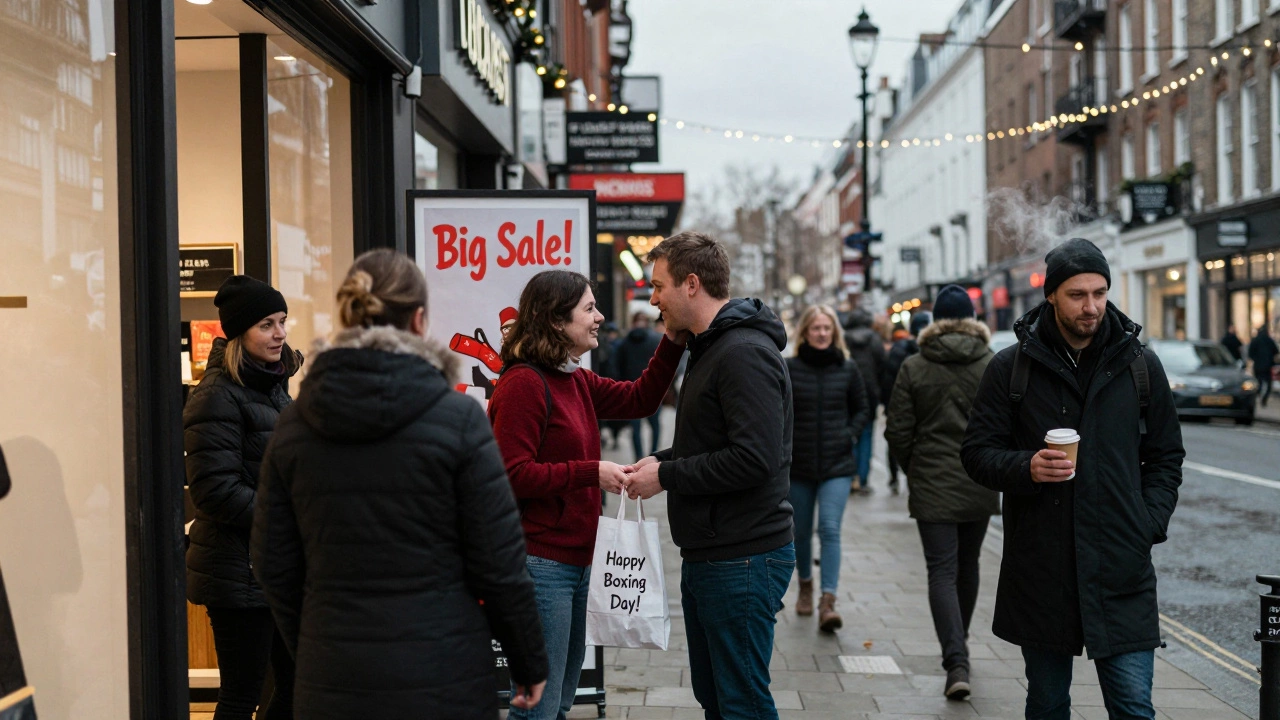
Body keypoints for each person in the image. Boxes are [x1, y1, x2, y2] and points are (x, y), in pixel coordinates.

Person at [250, 250, 548, 719]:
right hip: (443, 675)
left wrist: (312, 642)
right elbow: (499, 561)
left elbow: (272, 563)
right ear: (419, 320)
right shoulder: (459, 421)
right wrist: (528, 660)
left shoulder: (295, 426)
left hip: (333, 678)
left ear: (347, 317)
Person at [961, 238, 1184, 720]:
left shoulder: (1141, 367)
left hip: (1121, 566)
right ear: (1051, 296)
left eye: (1100, 293)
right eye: (1078, 295)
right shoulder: (1009, 369)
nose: (1092, 307)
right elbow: (977, 454)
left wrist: (1147, 523)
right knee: (1047, 704)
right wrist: (1027, 467)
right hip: (1043, 567)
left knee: (1132, 706)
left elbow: (1165, 457)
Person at [489, 269, 686, 720]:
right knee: (537, 707)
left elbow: (639, 400)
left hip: (579, 563)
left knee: (558, 702)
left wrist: (672, 341)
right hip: (541, 565)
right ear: (557, 321)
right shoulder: (524, 383)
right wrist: (589, 473)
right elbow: (510, 474)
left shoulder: (573, 377)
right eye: (589, 308)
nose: (599, 317)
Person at [624, 231, 795, 720]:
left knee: (741, 703)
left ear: (691, 284)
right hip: (713, 553)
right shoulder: (710, 348)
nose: (652, 298)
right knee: (718, 699)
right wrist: (658, 462)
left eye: (658, 286)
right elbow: (714, 444)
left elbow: (753, 459)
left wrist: (669, 476)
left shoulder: (741, 352)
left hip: (742, 556)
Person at [184, 275, 300, 720]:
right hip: (237, 572)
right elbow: (215, 492)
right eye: (266, 324)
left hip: (275, 568)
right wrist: (288, 516)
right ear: (238, 333)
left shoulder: (273, 386)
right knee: (241, 695)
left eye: (283, 321)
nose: (280, 334)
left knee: (295, 686)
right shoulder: (215, 396)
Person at [884, 286, 999, 701]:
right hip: (979, 479)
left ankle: (956, 659)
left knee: (941, 571)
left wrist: (914, 469)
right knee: (967, 567)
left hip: (932, 480)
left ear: (934, 322)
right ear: (973, 318)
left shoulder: (914, 365)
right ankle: (960, 647)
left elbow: (896, 430)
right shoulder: (991, 363)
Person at [786, 304, 869, 633]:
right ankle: (805, 584)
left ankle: (828, 600)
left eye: (827, 328)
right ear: (805, 331)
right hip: (800, 466)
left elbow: (863, 409)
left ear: (835, 333)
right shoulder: (789, 368)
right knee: (801, 533)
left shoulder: (847, 369)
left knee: (830, 530)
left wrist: (849, 434)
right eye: (816, 328)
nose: (822, 334)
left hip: (837, 465)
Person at [881, 310, 932, 495]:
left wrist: (888, 406)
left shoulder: (897, 350)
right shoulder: (927, 351)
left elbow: (888, 381)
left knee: (896, 437)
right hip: (919, 407)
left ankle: (895, 476)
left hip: (897, 404)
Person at [612, 312, 666, 461]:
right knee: (655, 425)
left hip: (631, 390)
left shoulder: (624, 342)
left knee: (635, 428)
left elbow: (617, 366)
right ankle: (654, 455)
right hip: (654, 390)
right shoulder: (656, 340)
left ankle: (639, 457)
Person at [844, 309, 886, 493]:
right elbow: (882, 366)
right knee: (867, 435)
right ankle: (863, 479)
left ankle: (850, 476)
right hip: (869, 393)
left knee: (850, 433)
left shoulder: (844, 338)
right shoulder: (875, 339)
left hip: (846, 392)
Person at [1248, 325, 1278, 407]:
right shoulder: (1269, 340)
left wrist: (1255, 359)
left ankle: (1257, 398)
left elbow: (1250, 353)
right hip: (1267, 366)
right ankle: (1263, 400)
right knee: (1268, 385)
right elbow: (1276, 351)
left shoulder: (1255, 340)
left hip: (1258, 366)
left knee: (1259, 384)